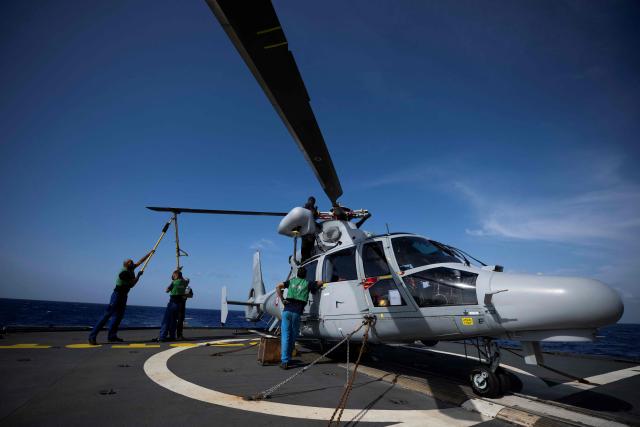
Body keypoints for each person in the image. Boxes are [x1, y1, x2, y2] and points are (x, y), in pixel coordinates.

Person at [88, 252, 152, 345]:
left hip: (124, 295)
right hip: (117, 295)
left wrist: (150, 254)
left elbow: (140, 261)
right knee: (107, 315)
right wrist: (138, 276)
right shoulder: (124, 273)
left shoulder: (131, 268)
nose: (133, 263)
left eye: (132, 262)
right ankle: (92, 336)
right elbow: (132, 285)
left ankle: (112, 336)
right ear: (126, 265)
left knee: (118, 316)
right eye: (130, 262)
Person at [275, 267, 322, 369]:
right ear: (305, 275)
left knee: (285, 336)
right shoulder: (307, 283)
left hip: (286, 311)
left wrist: (282, 299)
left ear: (297, 274)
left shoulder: (291, 282)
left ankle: (285, 361)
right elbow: (320, 283)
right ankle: (288, 358)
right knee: (293, 336)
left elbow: (278, 286)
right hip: (297, 313)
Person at [157, 270, 189, 342]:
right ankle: (172, 336)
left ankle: (162, 337)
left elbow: (167, 290)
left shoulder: (174, 282)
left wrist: (172, 282)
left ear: (175, 276)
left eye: (173, 275)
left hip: (172, 303)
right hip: (179, 304)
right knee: (174, 321)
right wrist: (179, 273)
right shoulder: (184, 283)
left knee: (166, 320)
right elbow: (184, 280)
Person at [301, 196, 319, 262]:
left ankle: (307, 260)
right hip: (307, 233)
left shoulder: (311, 208)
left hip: (310, 233)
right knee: (306, 251)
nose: (312, 202)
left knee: (309, 250)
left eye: (313, 201)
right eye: (312, 201)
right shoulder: (307, 207)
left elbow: (313, 219)